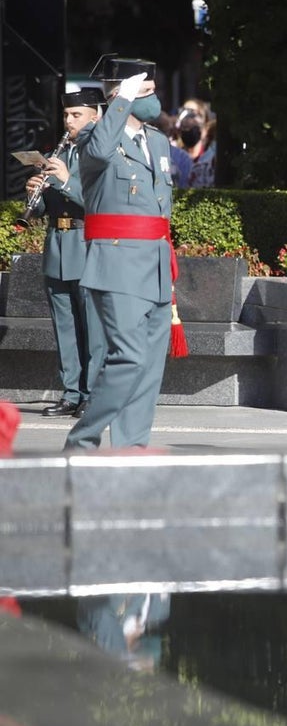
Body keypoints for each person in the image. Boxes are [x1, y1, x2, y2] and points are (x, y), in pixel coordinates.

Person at [65, 57, 178, 450]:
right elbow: (96, 156)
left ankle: (132, 448)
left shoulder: (159, 141)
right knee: (128, 357)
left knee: (148, 367)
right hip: (117, 263)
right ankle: (82, 443)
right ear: (120, 96)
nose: (153, 99)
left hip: (156, 264)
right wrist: (120, 103)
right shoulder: (95, 136)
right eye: (143, 92)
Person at [29, 87, 107, 418]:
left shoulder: (103, 155)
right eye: (66, 115)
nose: (69, 121)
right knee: (65, 328)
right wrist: (37, 193)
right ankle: (71, 392)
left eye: (77, 115)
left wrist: (64, 182)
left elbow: (103, 205)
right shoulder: (58, 154)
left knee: (93, 328)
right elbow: (48, 207)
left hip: (87, 245)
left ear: (97, 116)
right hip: (58, 247)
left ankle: (92, 394)